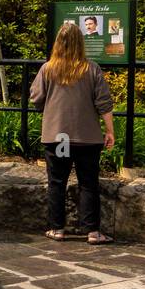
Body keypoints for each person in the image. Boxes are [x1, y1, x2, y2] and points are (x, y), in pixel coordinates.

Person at [30, 21, 115, 243]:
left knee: (57, 182)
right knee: (88, 183)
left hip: (59, 136)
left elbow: (36, 99)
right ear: (81, 43)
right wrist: (109, 131)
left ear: (58, 43)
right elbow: (104, 102)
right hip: (87, 137)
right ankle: (93, 232)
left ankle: (57, 229)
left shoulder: (47, 69)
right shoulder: (92, 69)